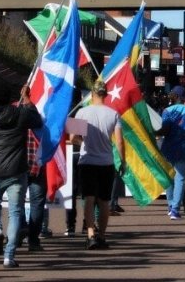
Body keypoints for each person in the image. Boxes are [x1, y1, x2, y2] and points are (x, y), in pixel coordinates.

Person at [0, 82, 42, 268]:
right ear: (11, 97)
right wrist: (26, 99)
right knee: (15, 212)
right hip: (17, 170)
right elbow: (38, 120)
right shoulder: (21, 113)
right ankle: (9, 255)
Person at [71, 79, 124, 249]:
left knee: (88, 198)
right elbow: (120, 142)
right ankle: (102, 235)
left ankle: (90, 235)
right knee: (104, 201)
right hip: (106, 162)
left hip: (87, 160)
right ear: (106, 94)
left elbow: (72, 138)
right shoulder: (114, 114)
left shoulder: (81, 112)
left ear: (92, 94)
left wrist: (84, 142)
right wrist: (122, 160)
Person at [157, 86, 185, 220]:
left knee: (169, 178)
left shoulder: (167, 111)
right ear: (183, 97)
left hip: (168, 147)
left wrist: (154, 132)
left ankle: (170, 206)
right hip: (183, 148)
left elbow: (165, 130)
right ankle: (175, 209)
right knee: (180, 178)